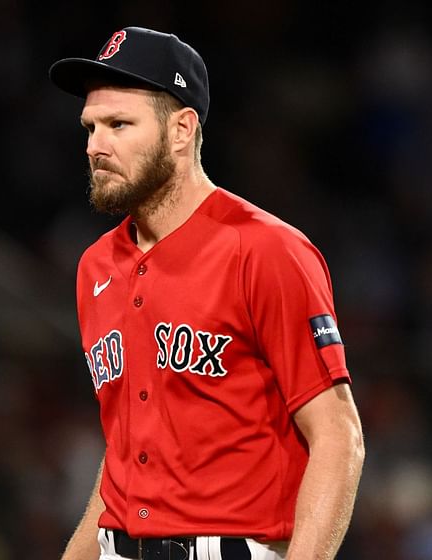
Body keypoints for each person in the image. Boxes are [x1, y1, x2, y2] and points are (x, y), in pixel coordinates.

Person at [48, 26, 364, 560]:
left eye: (119, 125)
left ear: (181, 129)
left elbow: (337, 438)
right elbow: (126, 450)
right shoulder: (95, 267)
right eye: (91, 127)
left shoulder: (265, 250)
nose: (95, 146)